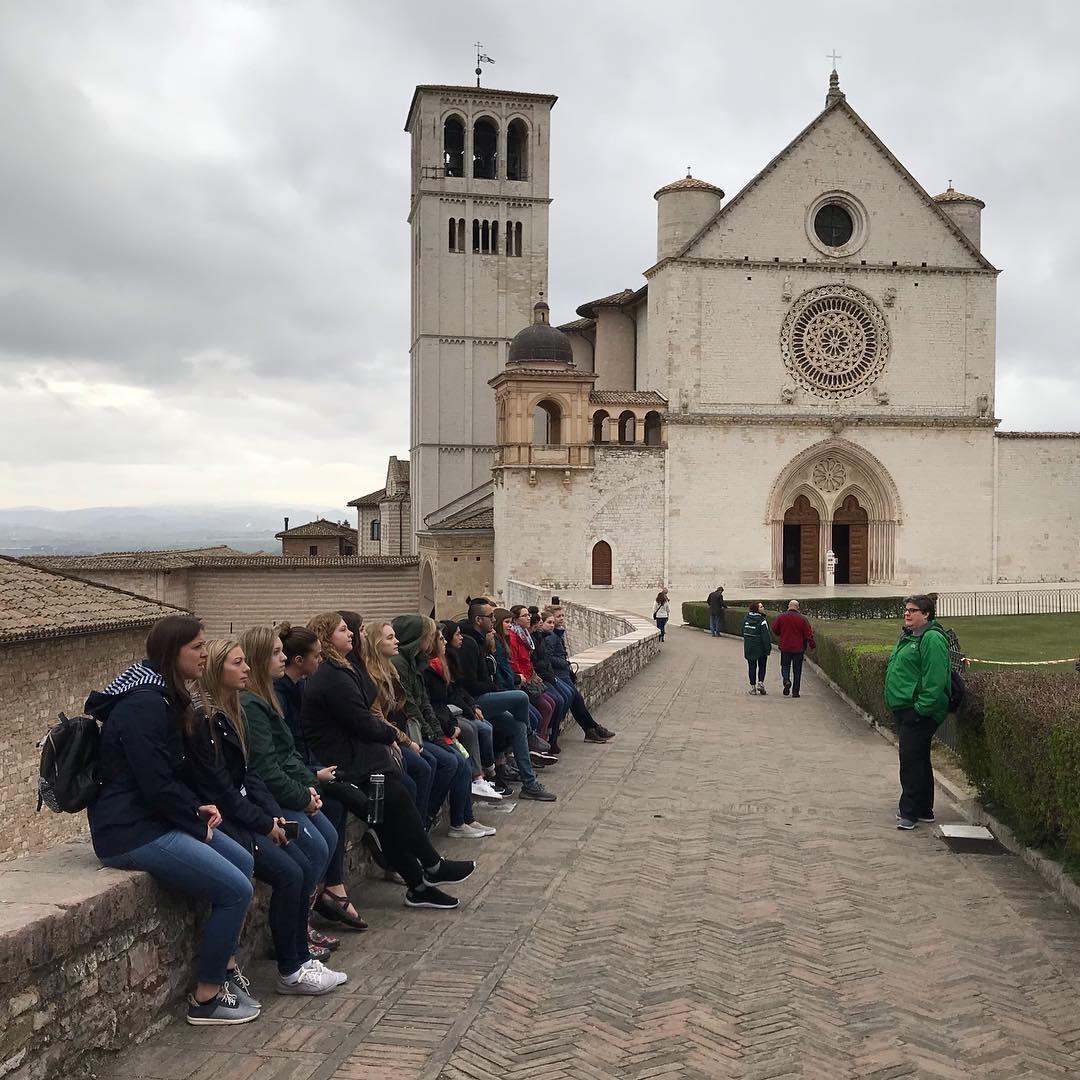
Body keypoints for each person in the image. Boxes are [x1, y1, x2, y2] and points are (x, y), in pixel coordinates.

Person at [86, 615, 259, 1026]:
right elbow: (154, 785)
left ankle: (225, 967)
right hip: (129, 831)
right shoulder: (143, 704)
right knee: (235, 889)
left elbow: (169, 777)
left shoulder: (163, 695)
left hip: (154, 818)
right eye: (197, 647)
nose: (204, 654)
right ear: (171, 654)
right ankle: (206, 996)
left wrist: (198, 806)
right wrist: (195, 823)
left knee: (245, 861)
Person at [190, 639, 345, 996]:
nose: (245, 670)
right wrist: (264, 822)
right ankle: (290, 970)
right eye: (236, 663)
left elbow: (250, 775)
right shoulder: (207, 720)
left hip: (249, 813)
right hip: (227, 820)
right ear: (218, 670)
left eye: (246, 662)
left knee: (304, 865)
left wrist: (273, 817)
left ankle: (301, 959)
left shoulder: (234, 712)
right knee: (290, 873)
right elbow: (223, 789)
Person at [302, 611, 475, 909]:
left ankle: (421, 883)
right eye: (344, 630)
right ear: (327, 636)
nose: (352, 635)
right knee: (395, 800)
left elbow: (370, 703)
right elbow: (361, 718)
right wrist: (390, 736)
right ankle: (431, 868)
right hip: (346, 764)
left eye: (351, 630)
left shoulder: (344, 667)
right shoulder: (332, 674)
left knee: (388, 813)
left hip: (359, 759)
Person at [237, 626, 347, 943]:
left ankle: (301, 922)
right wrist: (303, 795)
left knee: (326, 838)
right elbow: (265, 767)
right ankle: (291, 932)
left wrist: (307, 785)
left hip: (286, 791)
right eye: (275, 652)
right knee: (313, 849)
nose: (283, 657)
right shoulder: (253, 705)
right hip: (271, 801)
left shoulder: (266, 698)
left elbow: (286, 756)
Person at [273, 622, 365, 933]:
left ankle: (330, 888)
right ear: (299, 660)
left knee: (343, 801)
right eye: (316, 655)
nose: (321, 659)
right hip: (295, 777)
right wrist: (313, 776)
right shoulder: (279, 696)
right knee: (335, 805)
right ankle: (320, 899)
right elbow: (277, 755)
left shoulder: (298, 687)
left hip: (306, 767)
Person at [391, 614, 495, 840]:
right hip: (413, 733)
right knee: (449, 761)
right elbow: (412, 705)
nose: (442, 642)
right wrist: (436, 734)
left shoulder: (415, 662)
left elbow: (426, 703)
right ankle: (427, 821)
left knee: (458, 759)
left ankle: (464, 819)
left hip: (429, 729)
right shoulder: (404, 663)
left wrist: (437, 733)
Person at [457, 599, 556, 801]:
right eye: (490, 617)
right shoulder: (469, 643)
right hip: (475, 701)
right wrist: (490, 689)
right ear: (478, 619)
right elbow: (467, 683)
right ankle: (530, 735)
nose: (494, 620)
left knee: (517, 726)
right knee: (520, 698)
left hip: (485, 698)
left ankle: (529, 784)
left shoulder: (484, 640)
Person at [884, 595, 951, 830]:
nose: (907, 614)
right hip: (906, 708)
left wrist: (921, 708)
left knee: (910, 760)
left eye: (913, 610)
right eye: (906, 609)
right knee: (920, 759)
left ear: (926, 614)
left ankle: (909, 813)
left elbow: (936, 678)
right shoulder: (910, 636)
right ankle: (924, 809)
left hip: (919, 711)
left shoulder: (932, 639)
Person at [431, 621, 502, 799]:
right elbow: (443, 697)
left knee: (490, 726)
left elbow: (458, 689)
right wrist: (469, 710)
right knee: (475, 729)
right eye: (456, 634)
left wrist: (473, 706)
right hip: (447, 714)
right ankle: (481, 777)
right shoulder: (433, 665)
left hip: (455, 709)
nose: (460, 638)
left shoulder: (450, 658)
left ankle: (491, 772)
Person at [537, 608, 615, 744]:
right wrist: (564, 663)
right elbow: (548, 658)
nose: (560, 619)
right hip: (559, 675)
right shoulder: (550, 637)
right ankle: (591, 729)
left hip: (562, 674)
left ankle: (591, 729)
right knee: (575, 699)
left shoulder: (556, 634)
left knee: (576, 700)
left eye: (562, 616)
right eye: (556, 618)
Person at [770, 600, 815, 697]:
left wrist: (781, 634)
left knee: (785, 666)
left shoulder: (781, 617)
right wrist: (812, 644)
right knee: (797, 670)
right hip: (798, 648)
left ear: (788, 606)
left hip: (785, 647)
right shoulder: (802, 619)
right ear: (797, 607)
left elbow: (774, 628)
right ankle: (795, 692)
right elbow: (808, 634)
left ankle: (786, 680)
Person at [742, 602, 772, 695]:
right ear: (757, 609)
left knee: (752, 667)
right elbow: (765, 636)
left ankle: (753, 688)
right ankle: (760, 683)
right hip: (761, 648)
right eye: (761, 607)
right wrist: (768, 649)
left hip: (749, 648)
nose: (763, 608)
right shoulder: (762, 620)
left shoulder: (746, 619)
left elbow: (743, 631)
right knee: (762, 666)